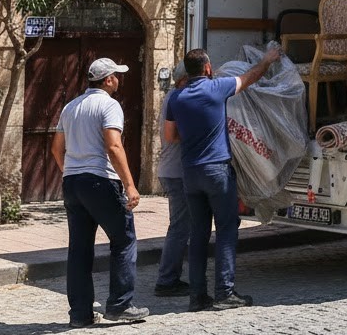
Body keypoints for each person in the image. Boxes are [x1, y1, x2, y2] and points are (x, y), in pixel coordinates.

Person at [165, 45, 281, 312]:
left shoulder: (176, 98)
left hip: (190, 173)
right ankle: (224, 293)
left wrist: (193, 136)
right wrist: (267, 60)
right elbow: (250, 77)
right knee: (227, 230)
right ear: (207, 68)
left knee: (199, 234)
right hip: (216, 171)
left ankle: (197, 297)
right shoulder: (216, 88)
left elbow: (170, 136)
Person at [52, 58, 149, 328]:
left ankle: (80, 314)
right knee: (124, 239)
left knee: (79, 249)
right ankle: (120, 305)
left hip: (73, 182)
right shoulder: (109, 105)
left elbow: (57, 148)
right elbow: (114, 146)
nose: (118, 79)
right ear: (108, 80)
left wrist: (71, 171)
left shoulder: (70, 107)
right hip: (100, 180)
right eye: (116, 75)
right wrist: (129, 184)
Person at [154, 61, 190, 297]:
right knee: (179, 227)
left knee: (182, 226)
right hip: (177, 172)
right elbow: (174, 136)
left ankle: (171, 277)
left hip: (173, 170)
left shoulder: (173, 96)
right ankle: (167, 280)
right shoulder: (177, 98)